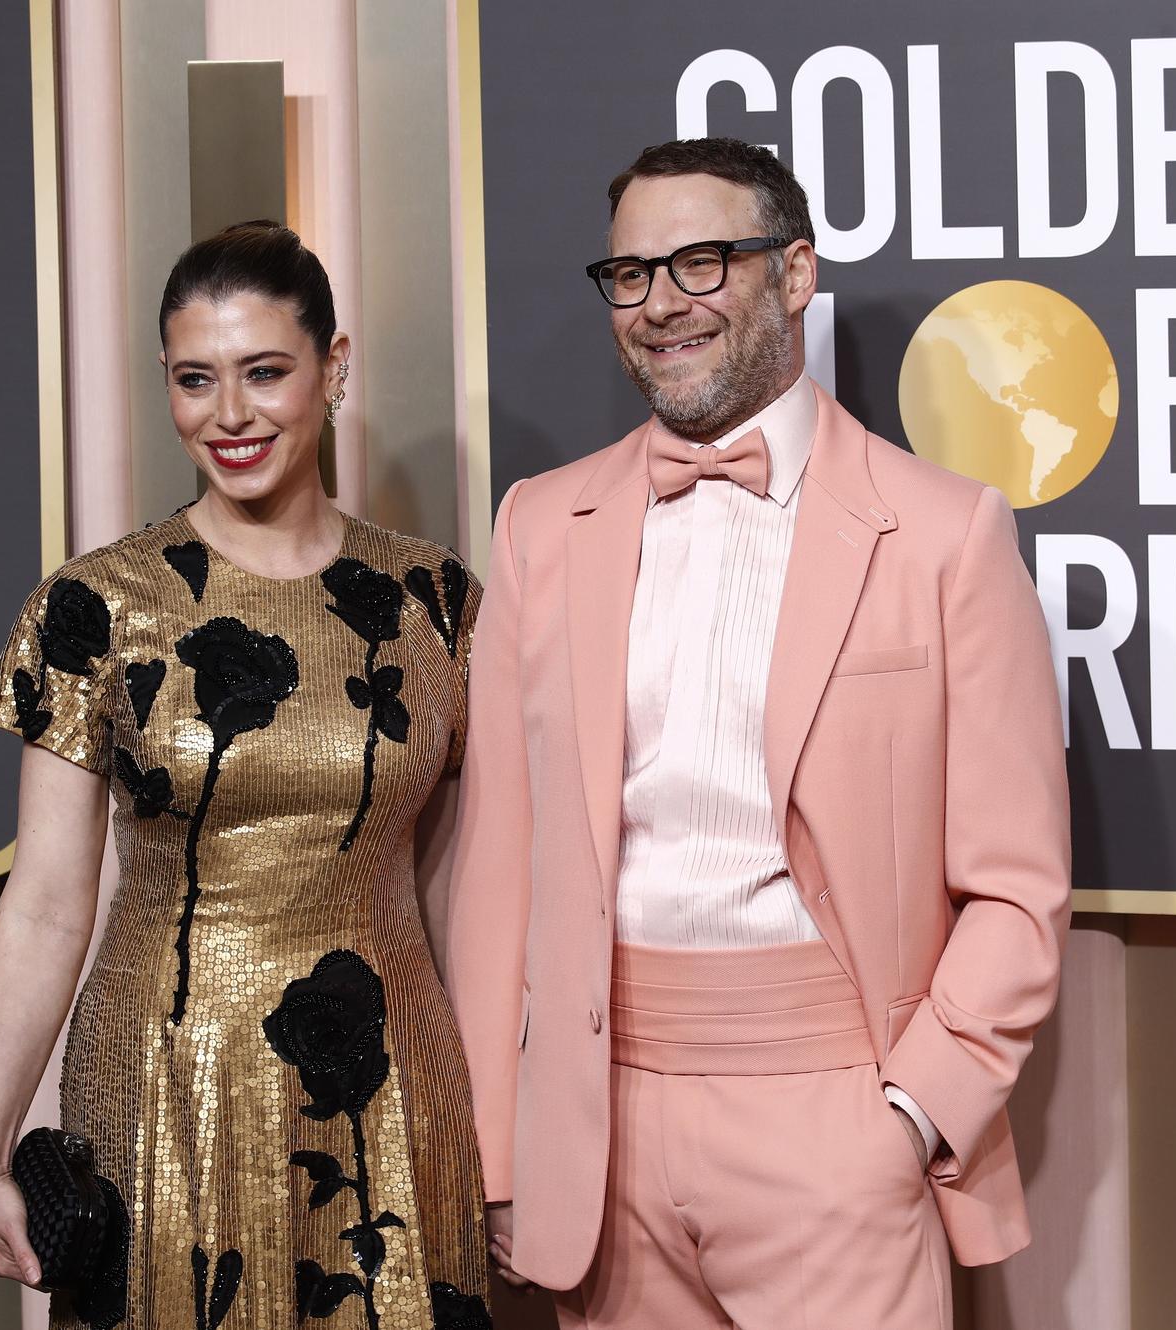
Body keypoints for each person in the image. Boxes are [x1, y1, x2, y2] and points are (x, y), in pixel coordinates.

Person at [446, 139, 1072, 1329]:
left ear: (792, 275)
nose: (660, 303)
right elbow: (497, 874)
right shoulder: (538, 523)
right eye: (628, 274)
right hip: (598, 1121)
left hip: (835, 1119)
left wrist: (910, 1111)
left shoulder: (943, 534)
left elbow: (1016, 885)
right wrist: (499, 1146)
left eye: (700, 261)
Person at [0, 221, 493, 1330]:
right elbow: (50, 901)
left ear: (332, 367)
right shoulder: (94, 607)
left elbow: (463, 886)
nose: (231, 414)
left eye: (265, 372)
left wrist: (505, 1115)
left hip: (388, 1095)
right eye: (195, 380)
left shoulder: (432, 599)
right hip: (165, 1094)